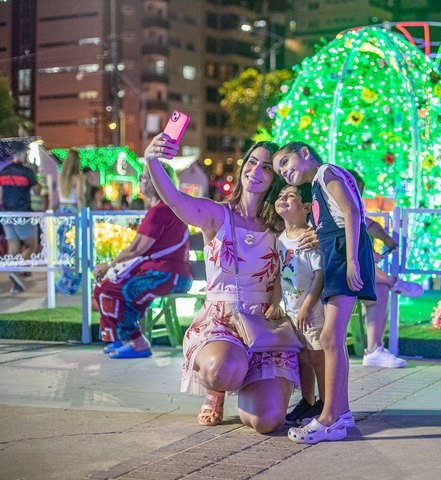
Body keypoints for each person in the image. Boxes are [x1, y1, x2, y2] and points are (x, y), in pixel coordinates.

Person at [144, 134, 312, 434]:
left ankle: (250, 384)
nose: (255, 171)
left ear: (275, 178)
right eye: (252, 162)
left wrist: (315, 237)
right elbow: (175, 200)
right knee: (222, 370)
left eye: (266, 167)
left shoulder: (281, 224)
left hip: (265, 326)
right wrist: (151, 160)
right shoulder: (217, 214)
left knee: (266, 422)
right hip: (222, 321)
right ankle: (218, 389)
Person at [274, 141, 376, 443]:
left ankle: (329, 417)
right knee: (332, 339)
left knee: (330, 337)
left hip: (343, 257)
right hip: (336, 256)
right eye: (279, 171)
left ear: (305, 153)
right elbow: (337, 220)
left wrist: (351, 260)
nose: (284, 172)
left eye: (286, 162)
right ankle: (340, 413)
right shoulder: (318, 184)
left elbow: (352, 211)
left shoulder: (327, 172)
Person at [92, 163, 193, 359]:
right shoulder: (164, 208)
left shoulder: (160, 211)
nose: (140, 180)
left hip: (167, 276)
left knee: (113, 289)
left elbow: (137, 249)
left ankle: (137, 342)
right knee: (107, 287)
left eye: (145, 177)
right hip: (167, 274)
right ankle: (121, 339)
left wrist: (108, 265)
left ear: (157, 182)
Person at [347, 169, 423, 368]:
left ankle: (374, 350)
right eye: (353, 191)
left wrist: (387, 239)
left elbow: (370, 225)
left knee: (378, 290)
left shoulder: (353, 212)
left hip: (356, 272)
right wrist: (365, 253)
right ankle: (393, 282)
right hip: (330, 271)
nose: (356, 197)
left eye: (359, 193)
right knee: (364, 261)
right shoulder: (326, 211)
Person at [274, 184, 326, 425]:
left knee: (317, 358)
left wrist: (307, 306)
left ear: (306, 207)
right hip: (292, 312)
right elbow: (278, 275)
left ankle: (325, 402)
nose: (283, 198)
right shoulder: (280, 240)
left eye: (290, 196)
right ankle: (307, 400)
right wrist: (275, 303)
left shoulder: (308, 238)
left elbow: (319, 275)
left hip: (312, 313)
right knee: (303, 358)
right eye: (280, 195)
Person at [0, 147, 40, 293]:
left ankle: (15, 284)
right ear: (22, 153)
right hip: (23, 214)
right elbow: (37, 190)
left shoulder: (4, 171)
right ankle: (16, 271)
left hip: (6, 214)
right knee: (32, 245)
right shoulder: (27, 172)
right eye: (26, 153)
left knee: (14, 248)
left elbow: (1, 194)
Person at [54, 149, 86, 295]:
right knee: (75, 247)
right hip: (73, 212)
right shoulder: (78, 177)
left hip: (61, 212)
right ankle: (72, 282)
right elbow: (79, 198)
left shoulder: (60, 176)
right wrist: (84, 214)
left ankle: (64, 281)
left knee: (64, 248)